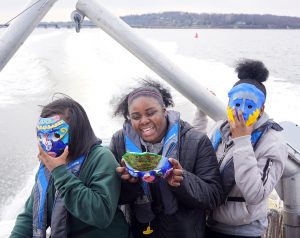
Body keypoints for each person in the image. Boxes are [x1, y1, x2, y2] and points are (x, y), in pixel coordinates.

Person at [109, 79, 223, 238]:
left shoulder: (197, 141)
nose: (144, 121)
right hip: (139, 231)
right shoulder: (119, 141)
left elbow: (214, 196)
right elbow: (111, 199)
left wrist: (182, 181)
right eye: (136, 116)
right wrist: (129, 184)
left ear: (164, 111)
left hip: (184, 232)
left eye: (150, 113)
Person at [10, 96, 132, 238]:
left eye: (56, 135)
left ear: (76, 132)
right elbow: (31, 215)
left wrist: (59, 172)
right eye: (42, 135)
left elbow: (101, 214)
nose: (47, 143)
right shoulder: (48, 164)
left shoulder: (101, 158)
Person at [193, 59, 287, 238]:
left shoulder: (273, 142)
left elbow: (255, 194)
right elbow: (198, 151)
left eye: (250, 106)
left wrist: (243, 140)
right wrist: (200, 113)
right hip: (209, 221)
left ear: (261, 109)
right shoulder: (222, 129)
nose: (241, 112)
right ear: (228, 104)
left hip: (243, 230)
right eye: (236, 104)